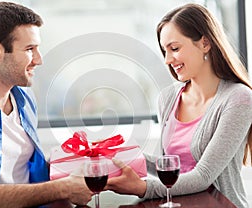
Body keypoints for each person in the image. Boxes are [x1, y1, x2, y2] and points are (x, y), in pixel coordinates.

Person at [106, 3, 252, 208]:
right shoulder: (168, 98)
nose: (167, 60)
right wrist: (131, 156)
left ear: (205, 43)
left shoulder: (239, 99)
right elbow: (172, 168)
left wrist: (142, 187)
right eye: (165, 51)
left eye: (174, 48)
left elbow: (203, 175)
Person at [0, 2, 92, 207]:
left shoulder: (23, 97)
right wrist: (64, 187)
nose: (39, 59)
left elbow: (24, 170)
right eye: (29, 49)